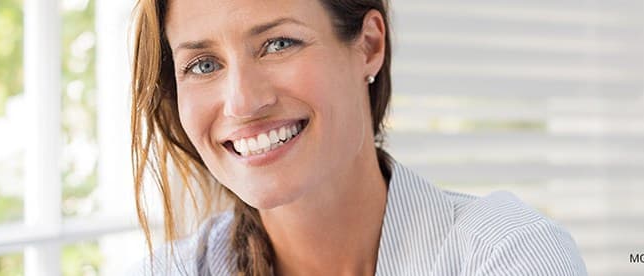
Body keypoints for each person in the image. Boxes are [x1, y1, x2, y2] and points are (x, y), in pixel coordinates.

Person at [128, 0, 588, 275]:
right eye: (203, 65)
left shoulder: (505, 255)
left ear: (369, 46)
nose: (243, 102)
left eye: (279, 43)